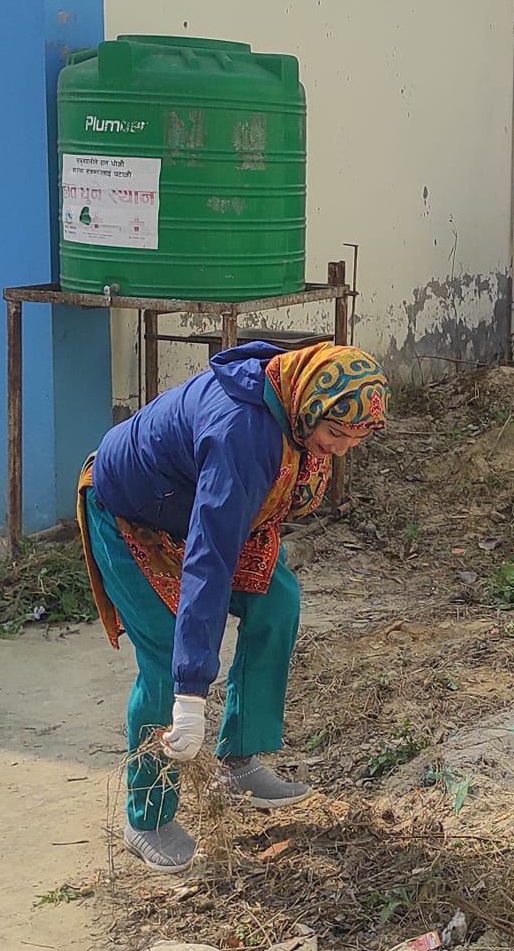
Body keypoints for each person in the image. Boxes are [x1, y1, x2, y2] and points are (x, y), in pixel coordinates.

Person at [77, 341, 387, 873]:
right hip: (129, 516)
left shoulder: (290, 401)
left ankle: (239, 757)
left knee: (277, 602)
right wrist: (191, 692)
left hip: (195, 511)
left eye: (352, 439)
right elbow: (210, 557)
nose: (336, 451)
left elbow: (225, 524)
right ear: (310, 406)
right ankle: (146, 816)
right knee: (164, 653)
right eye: (334, 434)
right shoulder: (241, 433)